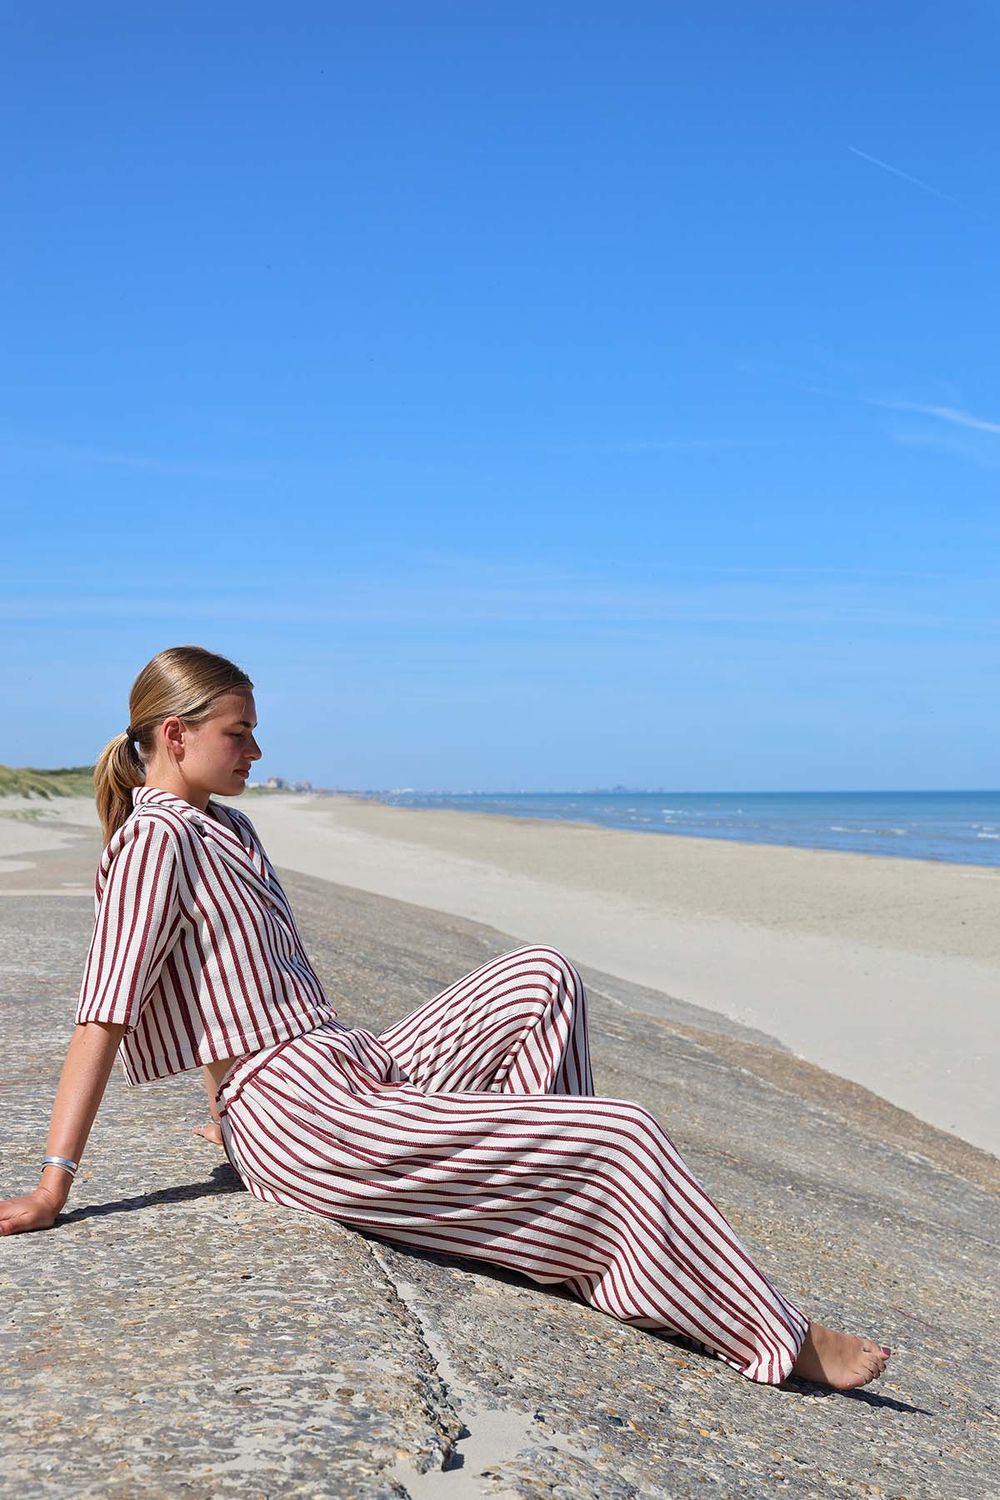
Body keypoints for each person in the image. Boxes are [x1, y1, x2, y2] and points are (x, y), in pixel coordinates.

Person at [0, 645, 891, 1392]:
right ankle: (780, 1336)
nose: (256, 751)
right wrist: (54, 1184)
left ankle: (545, 1219)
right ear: (174, 734)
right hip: (306, 1115)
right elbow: (103, 1013)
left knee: (541, 977)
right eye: (239, 733)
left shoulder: (229, 829)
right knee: (621, 1135)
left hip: (342, 1064)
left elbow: (217, 976)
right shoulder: (152, 841)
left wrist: (221, 1090)